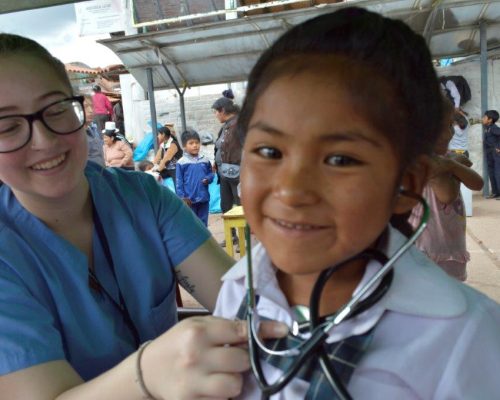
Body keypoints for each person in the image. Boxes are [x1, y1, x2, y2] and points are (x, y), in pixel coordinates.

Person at [213, 7, 500, 399]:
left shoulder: (468, 339)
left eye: (340, 160)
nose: (292, 190)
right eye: (268, 150)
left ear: (405, 186)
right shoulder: (239, 291)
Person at [0, 33, 289, 400]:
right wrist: (146, 374)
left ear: (82, 109)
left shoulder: (142, 198)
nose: (43, 140)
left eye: (56, 109)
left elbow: (247, 306)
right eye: (7, 127)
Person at [409, 99, 483, 281]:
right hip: (429, 246)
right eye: (442, 127)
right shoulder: (423, 162)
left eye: (451, 125)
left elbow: (477, 184)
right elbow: (447, 194)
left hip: (450, 240)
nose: (450, 133)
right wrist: (453, 168)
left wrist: (452, 165)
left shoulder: (448, 159)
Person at [212, 96, 242, 246]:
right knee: (226, 205)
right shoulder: (225, 126)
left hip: (237, 173)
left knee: (241, 205)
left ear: (222, 110)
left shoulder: (239, 125)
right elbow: (221, 147)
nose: (215, 115)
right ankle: (232, 236)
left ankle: (245, 238)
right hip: (224, 173)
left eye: (215, 112)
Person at [176, 129, 214, 226]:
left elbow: (211, 173)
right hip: (189, 200)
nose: (195, 145)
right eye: (191, 143)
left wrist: (208, 179)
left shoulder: (205, 160)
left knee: (203, 222)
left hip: (203, 197)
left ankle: (205, 240)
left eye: (197, 143)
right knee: (192, 223)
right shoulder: (181, 162)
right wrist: (182, 197)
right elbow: (179, 182)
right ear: (184, 146)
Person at [482, 109, 500, 199]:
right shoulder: (487, 128)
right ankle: (495, 192)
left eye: (484, 117)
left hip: (496, 154)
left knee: (498, 172)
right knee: (491, 172)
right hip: (489, 153)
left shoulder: (494, 128)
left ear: (490, 119)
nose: (483, 119)